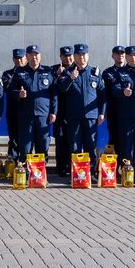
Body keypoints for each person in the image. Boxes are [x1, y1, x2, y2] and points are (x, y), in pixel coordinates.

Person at [57, 44, 104, 182]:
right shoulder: (67, 72)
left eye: (84, 55)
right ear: (75, 56)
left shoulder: (95, 73)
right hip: (74, 117)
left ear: (87, 56)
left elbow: (102, 95)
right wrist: (70, 78)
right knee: (75, 146)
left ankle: (91, 174)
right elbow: (61, 89)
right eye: (78, 55)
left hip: (91, 116)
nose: (81, 57)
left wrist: (102, 112)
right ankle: (76, 175)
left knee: (91, 145)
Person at [9, 45, 56, 162]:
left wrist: (53, 112)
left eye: (36, 54)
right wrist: (18, 93)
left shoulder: (48, 71)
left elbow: (54, 94)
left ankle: (41, 171)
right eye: (31, 55)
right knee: (25, 145)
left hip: (43, 115)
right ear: (27, 56)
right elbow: (11, 90)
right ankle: (25, 170)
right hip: (25, 116)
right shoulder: (19, 72)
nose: (34, 57)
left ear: (40, 56)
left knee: (43, 144)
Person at [51, 46, 74, 176]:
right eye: (65, 56)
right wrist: (57, 75)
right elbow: (50, 87)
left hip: (74, 112)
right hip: (59, 112)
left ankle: (72, 167)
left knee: (73, 141)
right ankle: (61, 168)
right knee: (60, 141)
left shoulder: (78, 69)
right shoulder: (54, 69)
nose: (68, 58)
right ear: (60, 57)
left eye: (70, 55)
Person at [2, 49, 26, 161]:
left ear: (26, 58)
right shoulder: (7, 74)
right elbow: (7, 87)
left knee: (26, 138)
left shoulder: (30, 72)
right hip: (13, 111)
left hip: (27, 111)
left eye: (21, 58)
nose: (19, 60)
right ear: (13, 59)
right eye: (17, 58)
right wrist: (16, 75)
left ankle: (24, 160)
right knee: (13, 137)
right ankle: (12, 161)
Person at [102, 45, 126, 152]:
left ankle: (126, 161)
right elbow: (104, 93)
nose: (120, 56)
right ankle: (113, 162)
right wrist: (104, 111)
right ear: (113, 56)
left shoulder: (130, 71)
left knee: (127, 139)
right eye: (117, 54)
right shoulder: (107, 72)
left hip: (127, 112)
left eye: (122, 53)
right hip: (113, 111)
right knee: (114, 138)